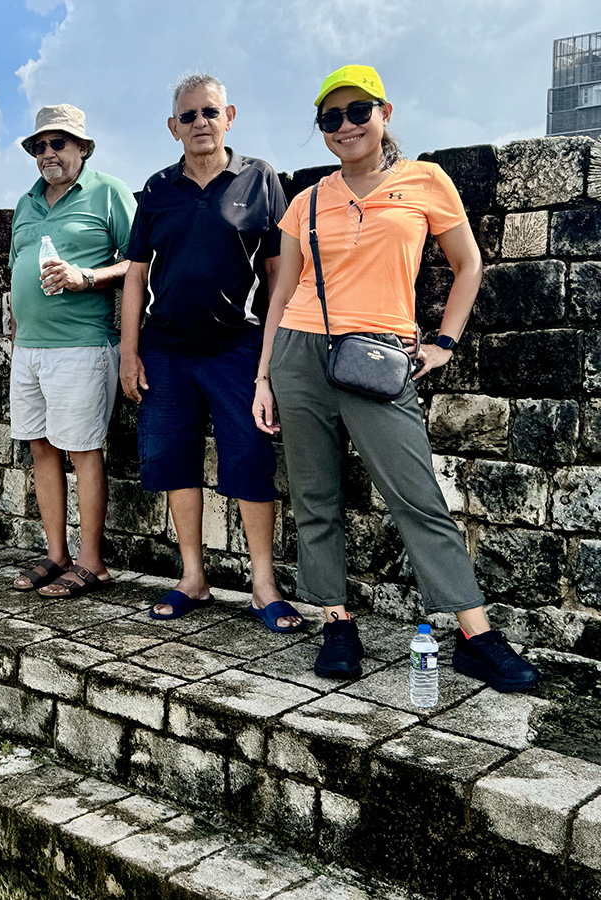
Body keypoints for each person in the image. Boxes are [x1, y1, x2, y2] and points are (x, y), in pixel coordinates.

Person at [251, 64, 539, 692]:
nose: (347, 126)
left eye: (359, 112)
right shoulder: (308, 200)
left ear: (385, 113)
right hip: (299, 353)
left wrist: (444, 342)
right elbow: (280, 293)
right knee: (315, 496)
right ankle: (337, 620)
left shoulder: (425, 182)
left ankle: (476, 634)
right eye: (332, 118)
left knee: (417, 496)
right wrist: (264, 376)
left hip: (377, 355)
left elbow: (468, 266)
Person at [121, 75, 299, 629]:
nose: (200, 122)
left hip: (237, 348)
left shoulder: (259, 178)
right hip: (167, 349)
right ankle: (192, 578)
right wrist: (130, 352)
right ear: (173, 126)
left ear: (230, 116)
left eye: (210, 112)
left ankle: (262, 584)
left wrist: (268, 361)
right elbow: (135, 274)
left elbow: (277, 276)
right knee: (174, 461)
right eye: (189, 115)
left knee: (249, 458)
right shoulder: (156, 189)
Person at [8, 104, 135, 598]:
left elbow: (139, 263)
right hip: (30, 348)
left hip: (83, 343)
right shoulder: (26, 203)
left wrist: (89, 278)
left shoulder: (108, 193)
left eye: (58, 143)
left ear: (82, 148)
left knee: (83, 450)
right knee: (41, 447)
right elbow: (17, 267)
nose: (48, 154)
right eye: (39, 146)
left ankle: (92, 562)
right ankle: (56, 554)